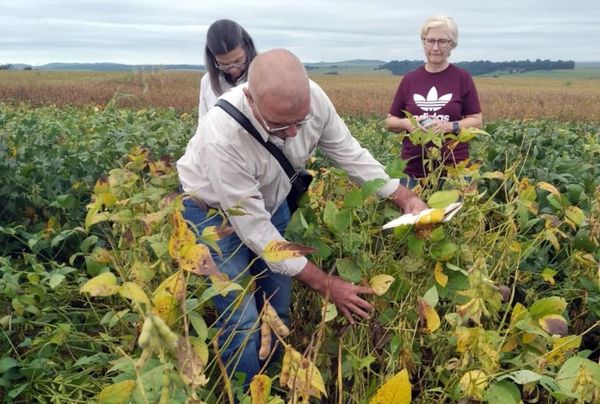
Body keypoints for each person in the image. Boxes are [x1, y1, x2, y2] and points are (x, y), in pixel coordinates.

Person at [177, 49, 427, 383]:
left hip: (271, 199)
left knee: (277, 308)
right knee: (241, 317)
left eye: (301, 122)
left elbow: (349, 153)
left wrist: (404, 195)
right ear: (250, 98)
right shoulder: (222, 135)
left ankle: (272, 384)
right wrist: (326, 284)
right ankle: (245, 391)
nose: (295, 134)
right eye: (280, 125)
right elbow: (255, 230)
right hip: (213, 213)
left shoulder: (315, 99)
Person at [386, 15, 482, 187]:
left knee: (456, 214)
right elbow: (390, 121)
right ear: (423, 42)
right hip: (413, 171)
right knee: (415, 214)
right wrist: (409, 124)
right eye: (430, 41)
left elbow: (477, 120)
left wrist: (449, 126)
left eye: (442, 41)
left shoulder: (462, 78)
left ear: (452, 44)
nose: (435, 47)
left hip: (455, 170)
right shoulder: (410, 79)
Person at [198, 19, 257, 123]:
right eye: (224, 64)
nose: (233, 70)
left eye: (238, 61)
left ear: (248, 48)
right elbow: (203, 126)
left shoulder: (263, 77)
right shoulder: (207, 82)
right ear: (212, 59)